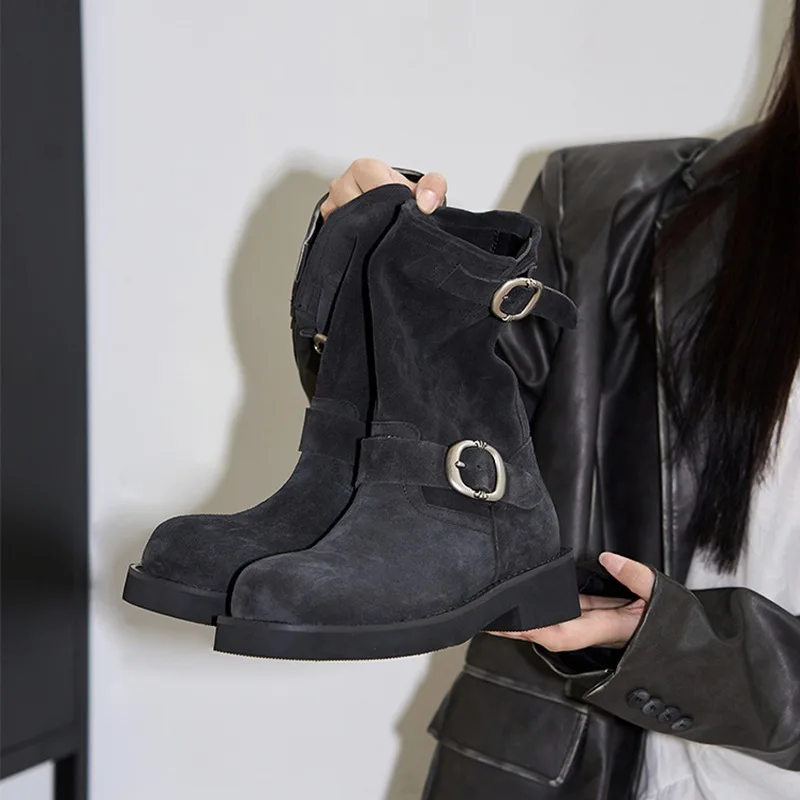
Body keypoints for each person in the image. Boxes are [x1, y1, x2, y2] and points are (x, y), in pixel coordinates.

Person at [301, 5, 800, 799]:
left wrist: (682, 647)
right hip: (555, 769)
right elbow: (448, 455)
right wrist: (372, 284)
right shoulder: (613, 208)